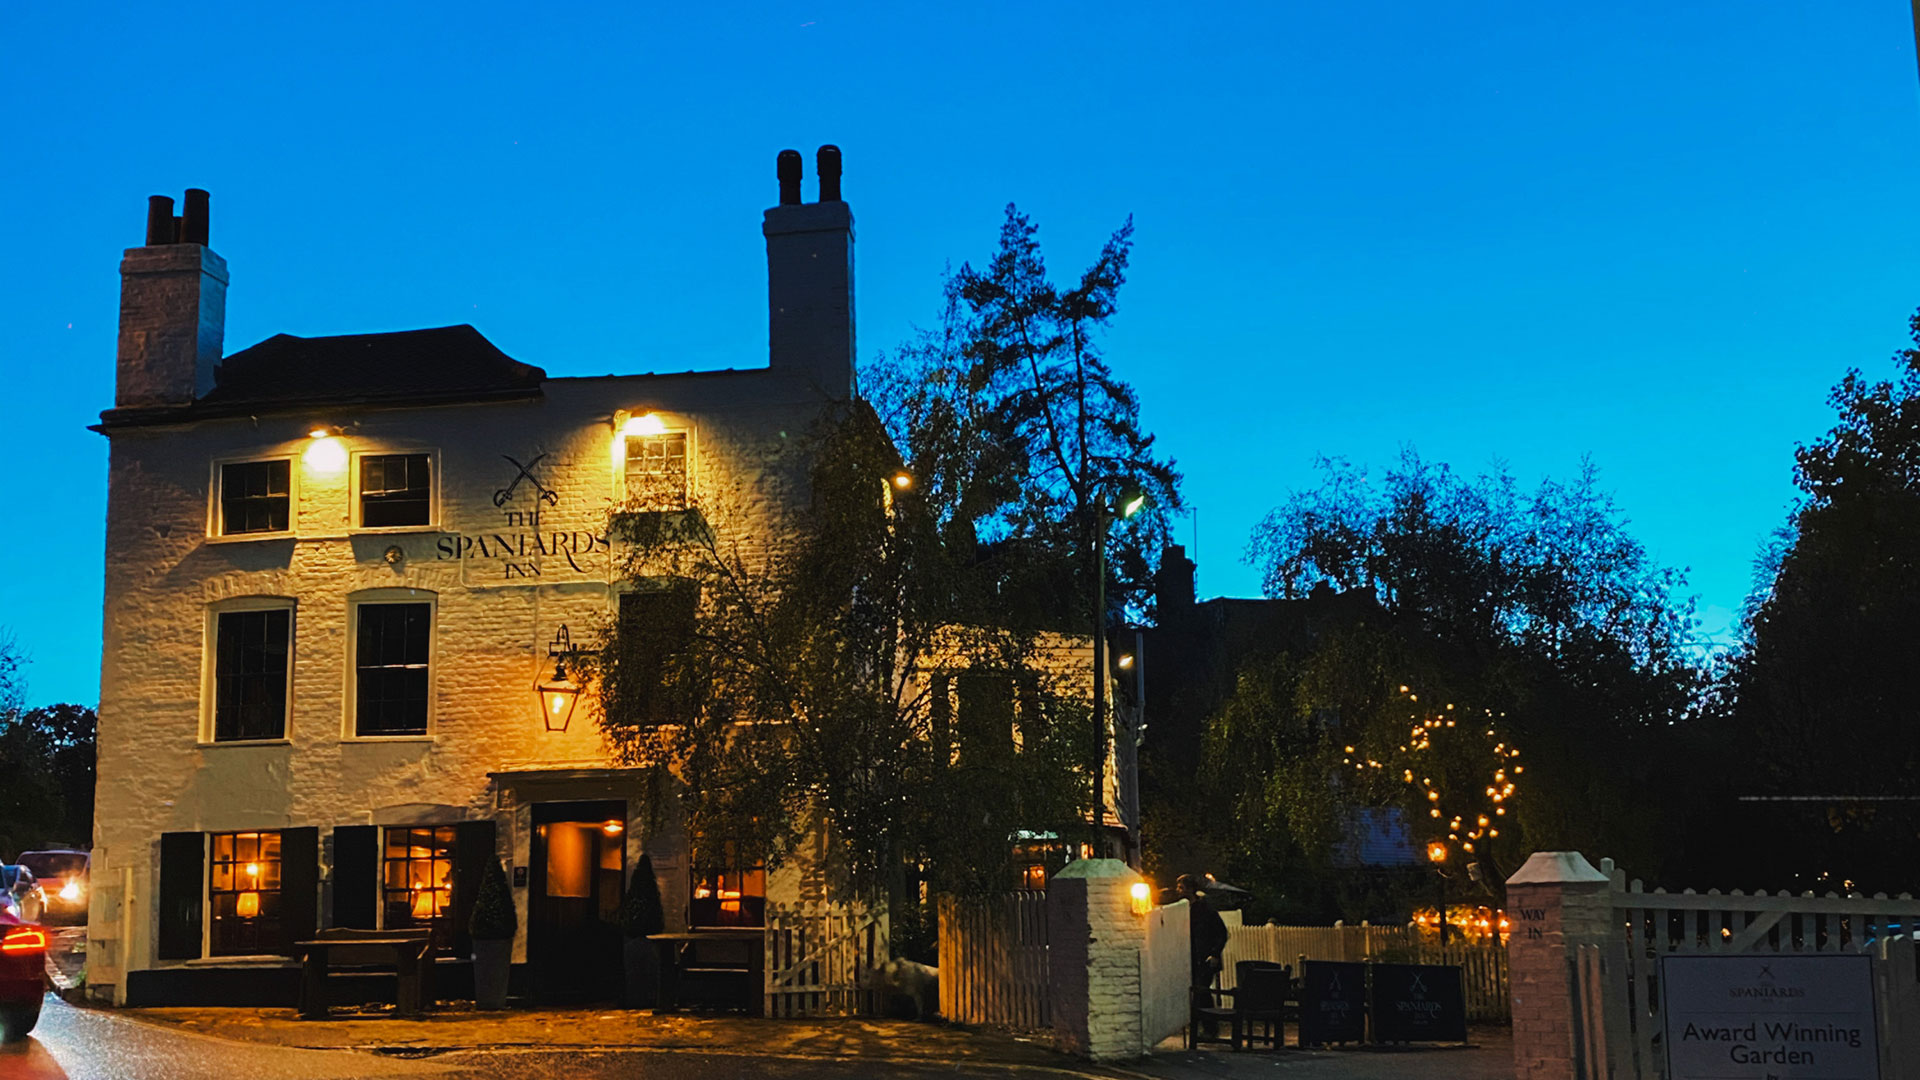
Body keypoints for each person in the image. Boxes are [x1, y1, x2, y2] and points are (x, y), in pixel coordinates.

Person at [1176, 873, 1230, 1030]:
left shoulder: (1206, 909)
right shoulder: (1181, 909)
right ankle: (1204, 1027)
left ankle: (1209, 1027)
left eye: (1182, 887)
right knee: (1197, 992)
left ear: (1191, 889)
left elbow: (1221, 933)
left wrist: (1214, 953)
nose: (1178, 891)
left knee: (1202, 991)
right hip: (1190, 957)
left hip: (1205, 958)